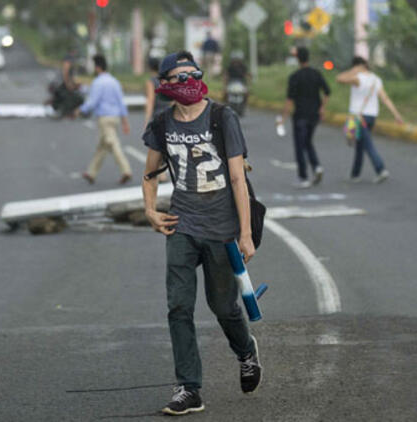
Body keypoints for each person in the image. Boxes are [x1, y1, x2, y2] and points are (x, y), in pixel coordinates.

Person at [142, 51, 262, 416]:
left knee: (223, 306)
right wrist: (150, 211)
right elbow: (150, 174)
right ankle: (189, 388)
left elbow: (239, 178)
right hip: (182, 225)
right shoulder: (162, 124)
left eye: (193, 74)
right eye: (179, 77)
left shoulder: (223, 117)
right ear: (166, 85)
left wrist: (245, 234)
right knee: (178, 306)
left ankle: (245, 351)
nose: (188, 81)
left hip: (222, 229)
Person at [337, 56, 404, 183]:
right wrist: (396, 114)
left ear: (357, 66)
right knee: (360, 145)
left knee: (367, 144)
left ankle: (380, 169)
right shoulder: (375, 79)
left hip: (357, 116)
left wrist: (353, 71)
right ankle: (355, 174)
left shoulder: (357, 78)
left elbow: (339, 79)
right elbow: (385, 98)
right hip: (371, 116)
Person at [80, 54, 132, 185]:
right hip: (115, 118)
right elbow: (121, 102)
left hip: (104, 118)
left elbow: (92, 102)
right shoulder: (115, 81)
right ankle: (91, 173)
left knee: (113, 143)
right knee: (102, 146)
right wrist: (125, 121)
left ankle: (126, 170)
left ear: (97, 67)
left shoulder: (98, 83)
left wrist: (80, 110)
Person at [282, 46, 330, 188]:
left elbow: (289, 100)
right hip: (314, 115)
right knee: (308, 142)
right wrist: (322, 108)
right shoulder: (316, 74)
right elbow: (327, 92)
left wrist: (283, 117)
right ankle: (316, 167)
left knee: (300, 146)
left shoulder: (295, 77)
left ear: (298, 59)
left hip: (300, 116)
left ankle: (303, 177)